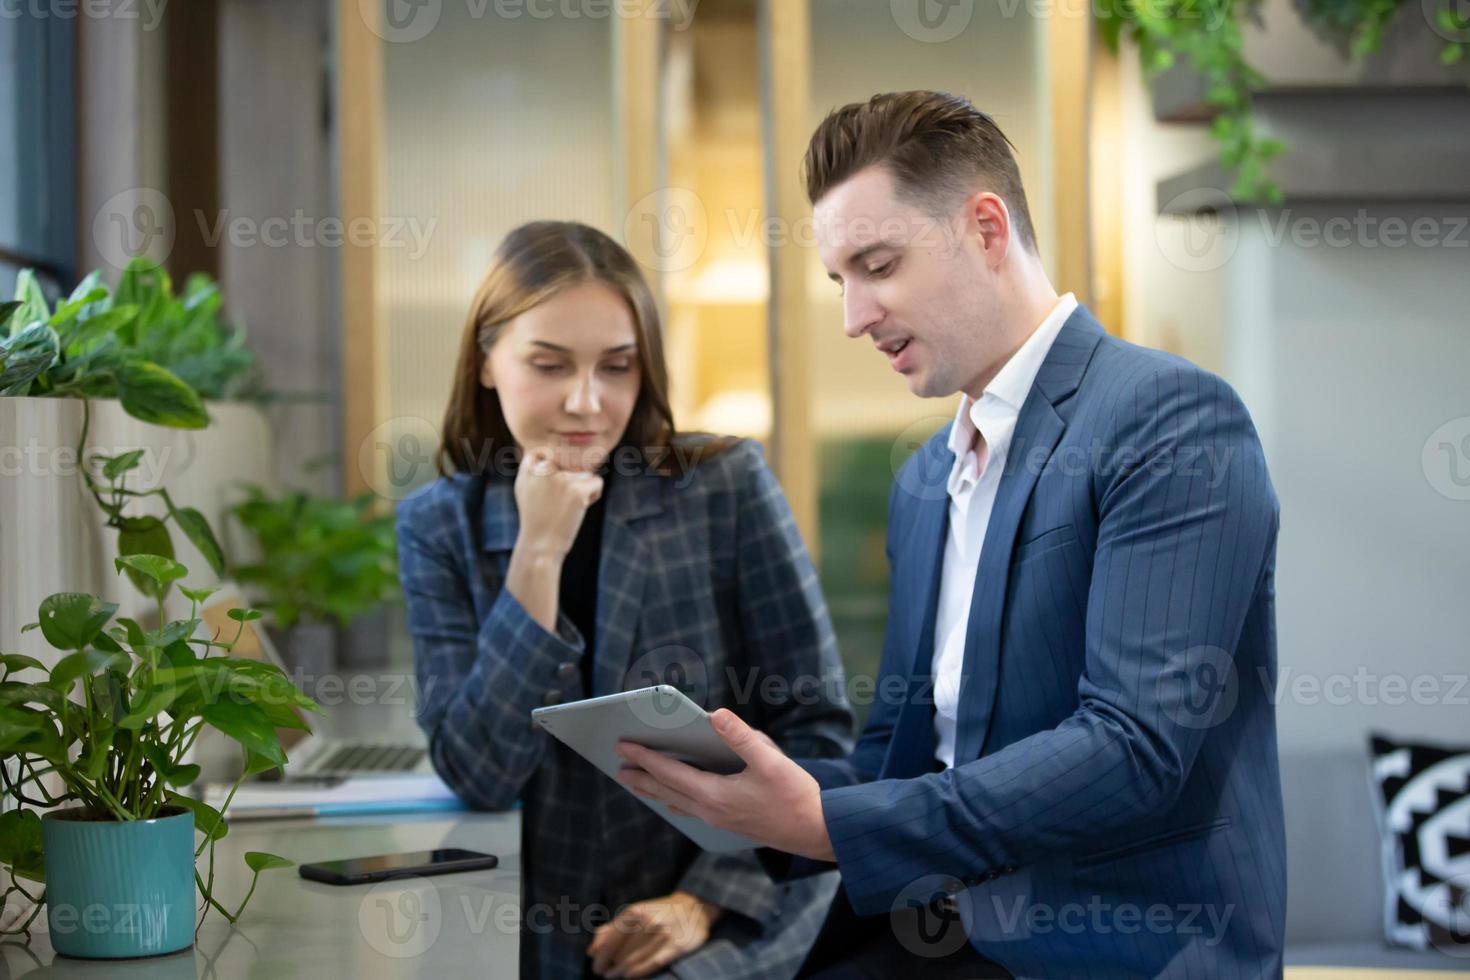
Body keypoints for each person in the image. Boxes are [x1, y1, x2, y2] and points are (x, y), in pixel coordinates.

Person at [617, 91, 1287, 979]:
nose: (854, 315)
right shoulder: (926, 480)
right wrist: (757, 800)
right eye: (840, 280)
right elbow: (903, 749)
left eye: (879, 265)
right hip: (937, 930)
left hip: (1120, 947)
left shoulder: (1169, 422)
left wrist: (826, 824)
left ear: (984, 227)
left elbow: (1134, 751)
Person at [396, 221, 855, 979]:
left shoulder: (724, 487)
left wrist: (703, 900)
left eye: (617, 368)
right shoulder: (439, 524)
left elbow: (817, 729)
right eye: (549, 365)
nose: (586, 402)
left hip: (723, 915)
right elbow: (478, 773)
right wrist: (537, 555)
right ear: (485, 361)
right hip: (538, 934)